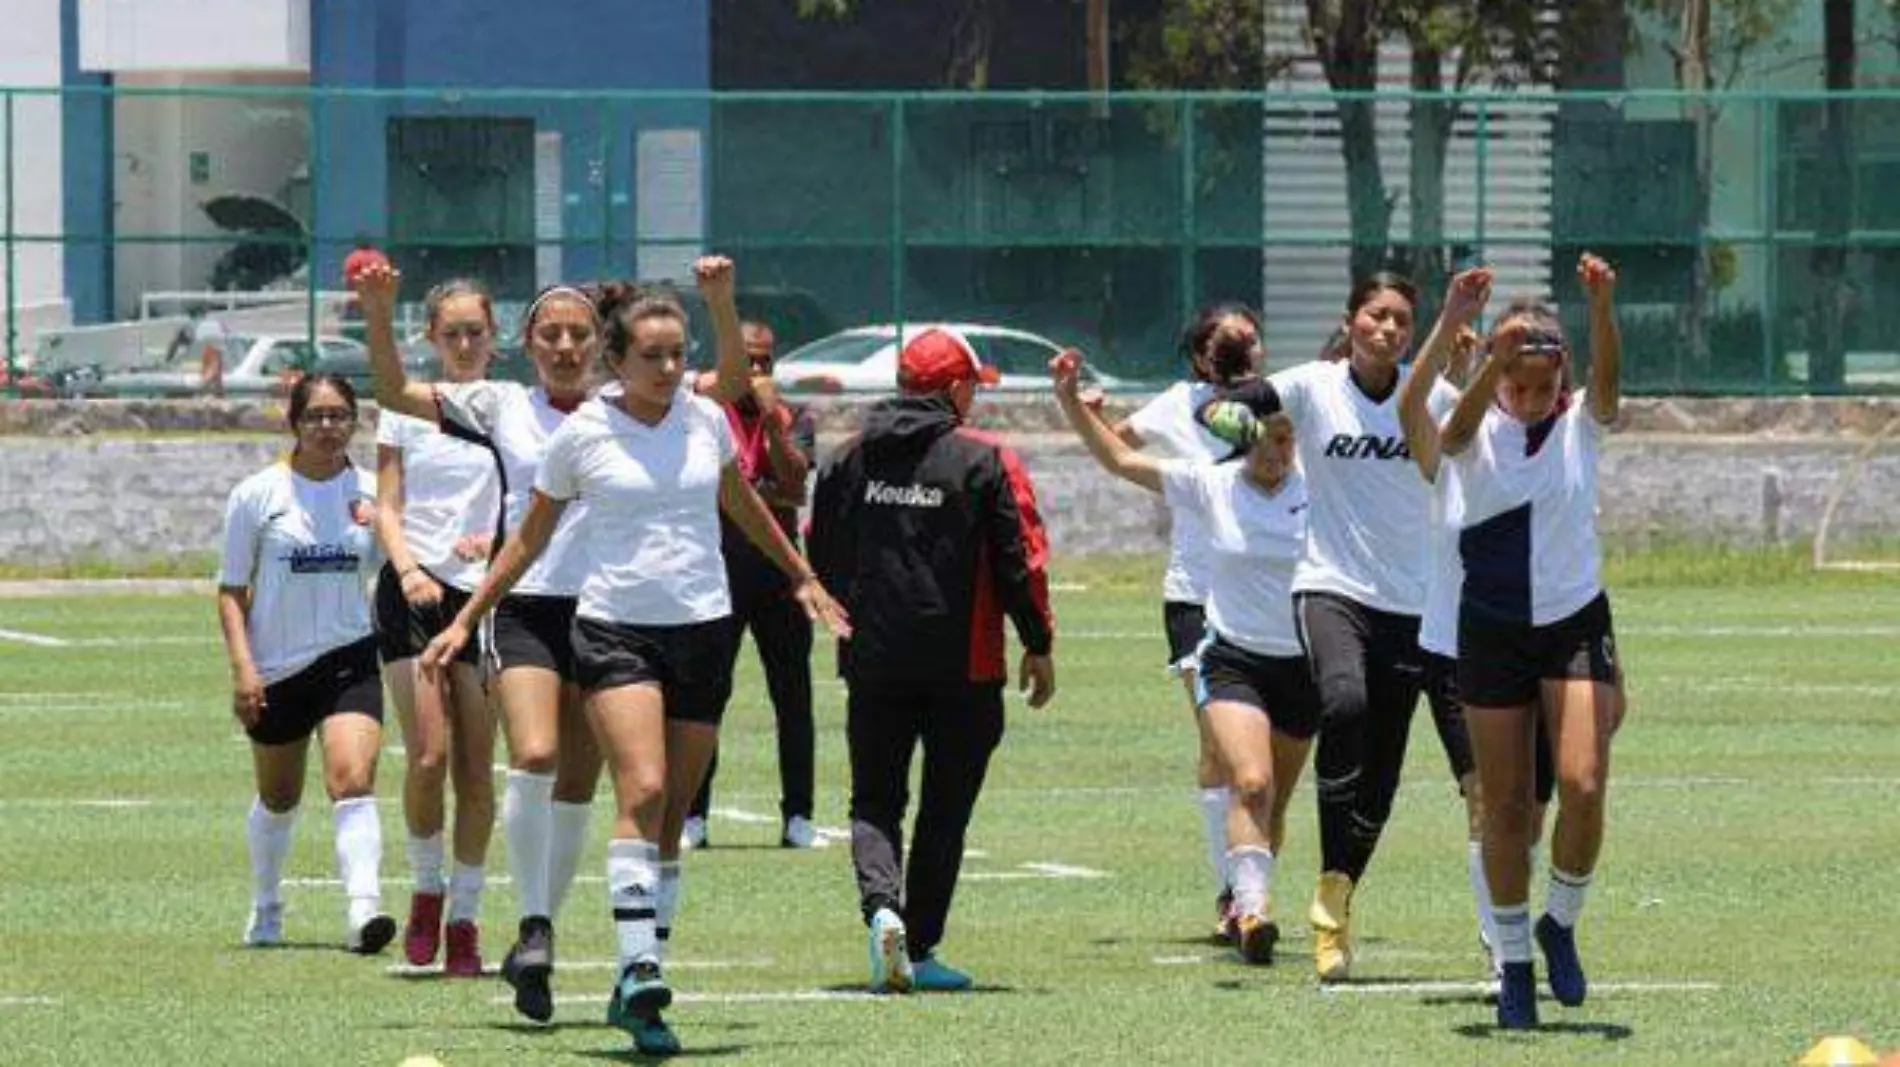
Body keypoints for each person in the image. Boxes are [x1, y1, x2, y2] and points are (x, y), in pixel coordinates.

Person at [419, 269, 849, 1057]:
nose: (666, 367)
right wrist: (468, 617)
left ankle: (638, 992)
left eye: (676, 353)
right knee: (642, 788)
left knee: (672, 815)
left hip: (704, 629)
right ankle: (637, 961)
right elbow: (530, 539)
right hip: (615, 629)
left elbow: (745, 505)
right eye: (650, 354)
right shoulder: (584, 432)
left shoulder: (705, 421)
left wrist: (804, 576)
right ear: (618, 360)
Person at [358, 265, 637, 1022]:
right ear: (529, 344)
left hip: (610, 610)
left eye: (580, 333)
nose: (566, 344)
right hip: (521, 609)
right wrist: (379, 312)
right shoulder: (502, 405)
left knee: (582, 785)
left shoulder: (625, 406)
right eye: (551, 333)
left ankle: (533, 928)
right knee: (532, 755)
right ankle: (523, 920)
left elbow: (726, 388)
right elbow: (392, 392)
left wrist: (719, 304)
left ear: (601, 344)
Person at [1197, 272, 1458, 982]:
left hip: (1411, 602)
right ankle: (1264, 893)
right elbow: (1232, 407)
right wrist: (1231, 417)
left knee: (1382, 773)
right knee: (1344, 702)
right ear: (1351, 322)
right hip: (1329, 587)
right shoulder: (1314, 386)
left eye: (1403, 319)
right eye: (1376, 316)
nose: (1389, 329)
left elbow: (1479, 448)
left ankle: (1334, 893)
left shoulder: (1430, 394)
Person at [1406, 256, 1626, 1029]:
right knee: (1501, 804)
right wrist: (1490, 362)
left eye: (1541, 387)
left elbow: (1605, 384)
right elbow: (1450, 429)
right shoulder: (1476, 430)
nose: (1529, 401)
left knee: (1585, 783)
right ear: (1499, 376)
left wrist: (1599, 307)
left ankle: (1558, 921)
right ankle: (1514, 964)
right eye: (1516, 385)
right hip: (1490, 626)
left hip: (1572, 620)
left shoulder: (1578, 425)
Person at [808, 326, 1057, 995]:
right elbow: (1021, 559)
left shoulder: (848, 457)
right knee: (945, 809)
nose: (976, 397)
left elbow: (821, 548)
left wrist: (851, 616)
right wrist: (1039, 641)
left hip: (873, 658)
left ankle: (882, 909)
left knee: (874, 799)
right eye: (973, 385)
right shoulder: (985, 458)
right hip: (966, 668)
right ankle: (919, 943)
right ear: (953, 388)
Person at [1056, 349, 1316, 966]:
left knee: (1272, 801)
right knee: (1249, 781)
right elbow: (1120, 458)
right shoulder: (1211, 484)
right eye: (1264, 441)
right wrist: (1070, 402)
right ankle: (1250, 914)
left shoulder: (1319, 494)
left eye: (1285, 440)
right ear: (1241, 441)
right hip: (1232, 659)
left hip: (1303, 665)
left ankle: (1250, 899)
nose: (1275, 453)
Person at [216, 373, 394, 954]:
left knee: (352, 779)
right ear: (294, 422)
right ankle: (266, 906)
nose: (327, 426)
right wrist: (245, 668)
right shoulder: (258, 494)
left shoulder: (372, 494)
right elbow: (230, 590)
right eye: (315, 415)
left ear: (354, 421)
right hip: (277, 667)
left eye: (339, 415)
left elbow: (403, 561)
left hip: (350, 658)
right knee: (279, 797)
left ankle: (364, 910)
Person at [1108, 303, 1265, 940]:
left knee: (1263, 756)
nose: (1245, 352)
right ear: (1201, 355)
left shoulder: (1277, 401)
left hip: (1265, 592)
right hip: (1196, 595)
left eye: (1251, 341)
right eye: (1231, 344)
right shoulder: (1177, 403)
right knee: (1219, 749)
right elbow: (1117, 442)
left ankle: (1252, 876)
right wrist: (1178, 488)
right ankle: (1234, 893)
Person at [372, 279, 503, 975]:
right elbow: (386, 506)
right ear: (430, 337)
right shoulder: (406, 412)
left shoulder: (508, 409)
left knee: (478, 770)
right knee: (429, 756)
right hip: (412, 592)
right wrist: (410, 568)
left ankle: (466, 919)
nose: (462, 343)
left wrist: (499, 544)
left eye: (473, 332)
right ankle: (426, 887)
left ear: (493, 335)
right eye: (450, 332)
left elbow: (535, 501)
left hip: (481, 598)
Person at [684, 319, 822, 850]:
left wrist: (771, 418)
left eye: (766, 361)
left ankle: (799, 816)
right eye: (748, 360)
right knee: (708, 696)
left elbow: (793, 484)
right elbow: (714, 494)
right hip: (716, 572)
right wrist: (765, 495)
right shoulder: (703, 417)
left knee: (793, 698)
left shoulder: (796, 417)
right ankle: (695, 815)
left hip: (780, 578)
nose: (757, 371)